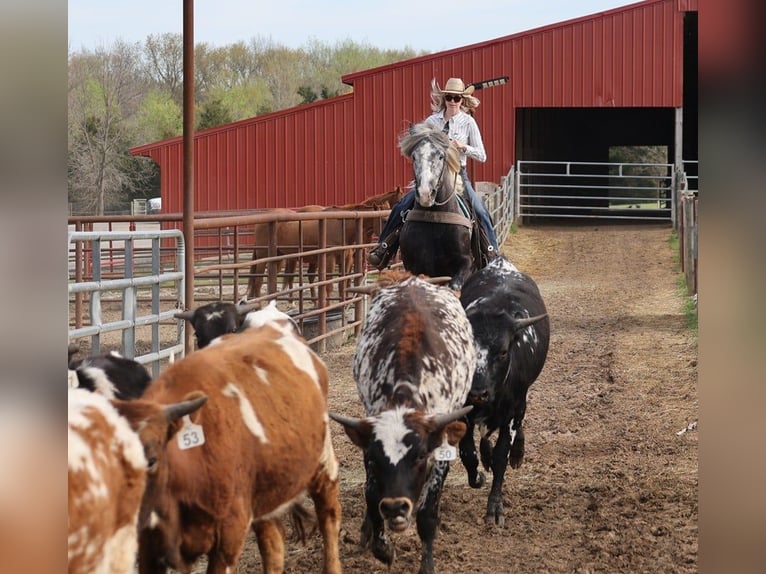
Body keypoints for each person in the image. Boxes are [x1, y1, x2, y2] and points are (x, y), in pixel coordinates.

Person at [367, 77, 499, 269]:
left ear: (462, 101)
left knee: (479, 209)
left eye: (457, 98)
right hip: (432, 173)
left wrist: (463, 147)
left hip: (456, 174)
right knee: (402, 204)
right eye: (449, 98)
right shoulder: (431, 121)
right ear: (444, 99)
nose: (453, 102)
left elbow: (482, 155)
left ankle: (492, 254)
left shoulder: (468, 122)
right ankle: (384, 247)